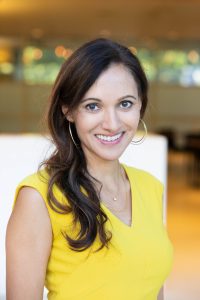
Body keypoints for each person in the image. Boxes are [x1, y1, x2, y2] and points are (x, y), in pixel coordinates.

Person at [6, 38, 173, 300]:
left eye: (125, 103)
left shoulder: (151, 187)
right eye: (93, 106)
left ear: (141, 104)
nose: (112, 123)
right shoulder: (38, 198)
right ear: (69, 111)